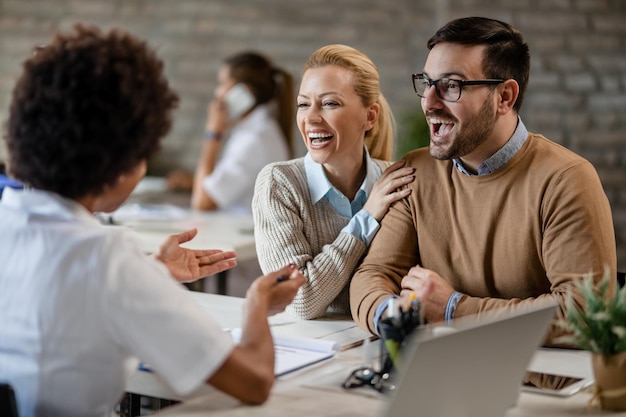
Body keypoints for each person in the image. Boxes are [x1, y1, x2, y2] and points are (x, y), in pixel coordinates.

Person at [0, 25, 305, 417]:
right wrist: (257, 305)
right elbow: (254, 380)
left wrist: (152, 271)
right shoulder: (109, 259)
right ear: (122, 162)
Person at [349, 17, 617, 346]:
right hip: (435, 372)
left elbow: (584, 313)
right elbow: (373, 276)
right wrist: (398, 316)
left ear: (504, 96)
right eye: (427, 82)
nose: (429, 102)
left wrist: (453, 309)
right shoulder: (414, 172)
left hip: (537, 386)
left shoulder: (566, 179)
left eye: (451, 85)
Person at [252, 44, 416, 320]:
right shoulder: (279, 184)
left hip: (384, 339)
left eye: (330, 103)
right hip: (316, 348)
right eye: (303, 104)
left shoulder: (398, 181)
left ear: (370, 116)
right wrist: (366, 218)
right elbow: (301, 301)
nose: (311, 118)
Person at [167, 51, 294, 214]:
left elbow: (202, 202)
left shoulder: (254, 139)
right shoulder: (258, 130)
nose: (217, 93)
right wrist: (193, 182)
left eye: (222, 84)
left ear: (244, 92)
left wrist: (213, 134)